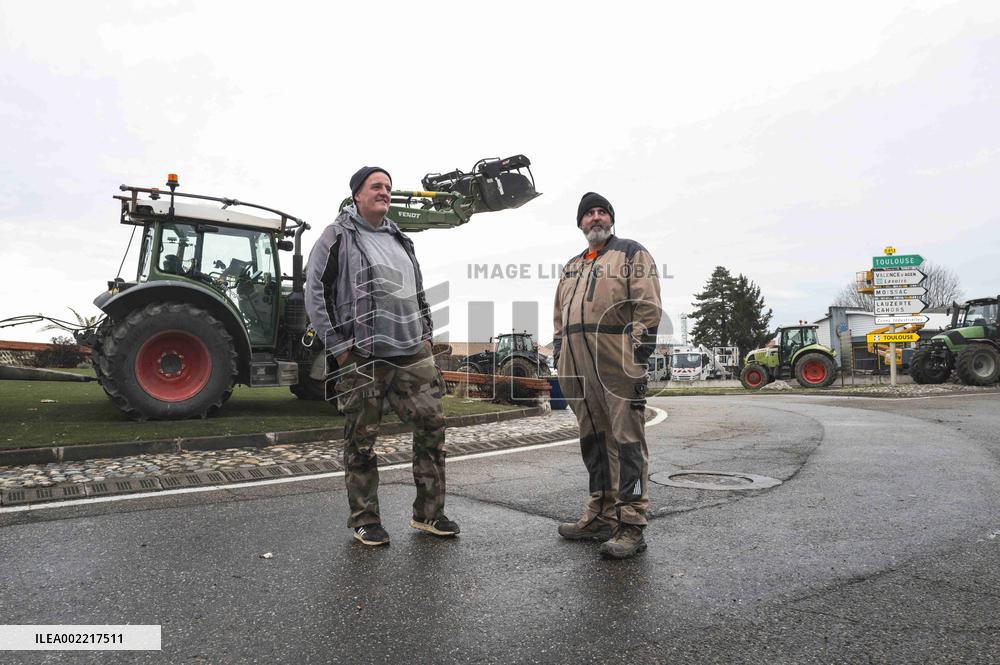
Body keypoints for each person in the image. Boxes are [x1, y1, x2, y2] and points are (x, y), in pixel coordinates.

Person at [305, 166, 458, 547]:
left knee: (433, 427)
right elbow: (315, 292)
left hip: (412, 353)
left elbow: (417, 290)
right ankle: (365, 519)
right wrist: (339, 348)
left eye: (388, 187)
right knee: (361, 440)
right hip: (363, 355)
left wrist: (426, 334)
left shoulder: (401, 238)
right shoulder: (337, 236)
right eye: (376, 186)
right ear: (357, 194)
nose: (384, 192)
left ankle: (429, 514)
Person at [552, 192, 662, 559]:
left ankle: (631, 522)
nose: (596, 218)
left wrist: (637, 353)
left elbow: (647, 305)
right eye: (589, 214)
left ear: (611, 219)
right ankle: (600, 513)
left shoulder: (630, 253)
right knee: (594, 438)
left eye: (602, 212)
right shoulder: (572, 266)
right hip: (576, 363)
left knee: (627, 439)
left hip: (616, 358)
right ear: (580, 223)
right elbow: (559, 315)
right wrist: (559, 351)